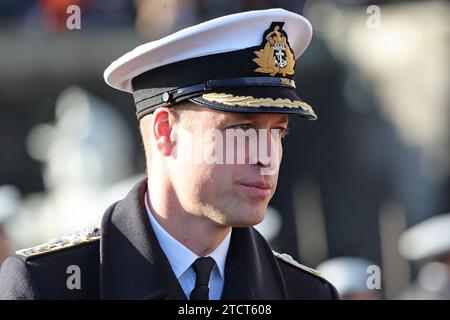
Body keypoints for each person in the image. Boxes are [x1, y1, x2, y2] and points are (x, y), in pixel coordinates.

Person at [0, 8, 339, 300]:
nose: (267, 157)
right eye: (242, 130)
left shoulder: (306, 292)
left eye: (277, 132)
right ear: (165, 132)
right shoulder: (49, 285)